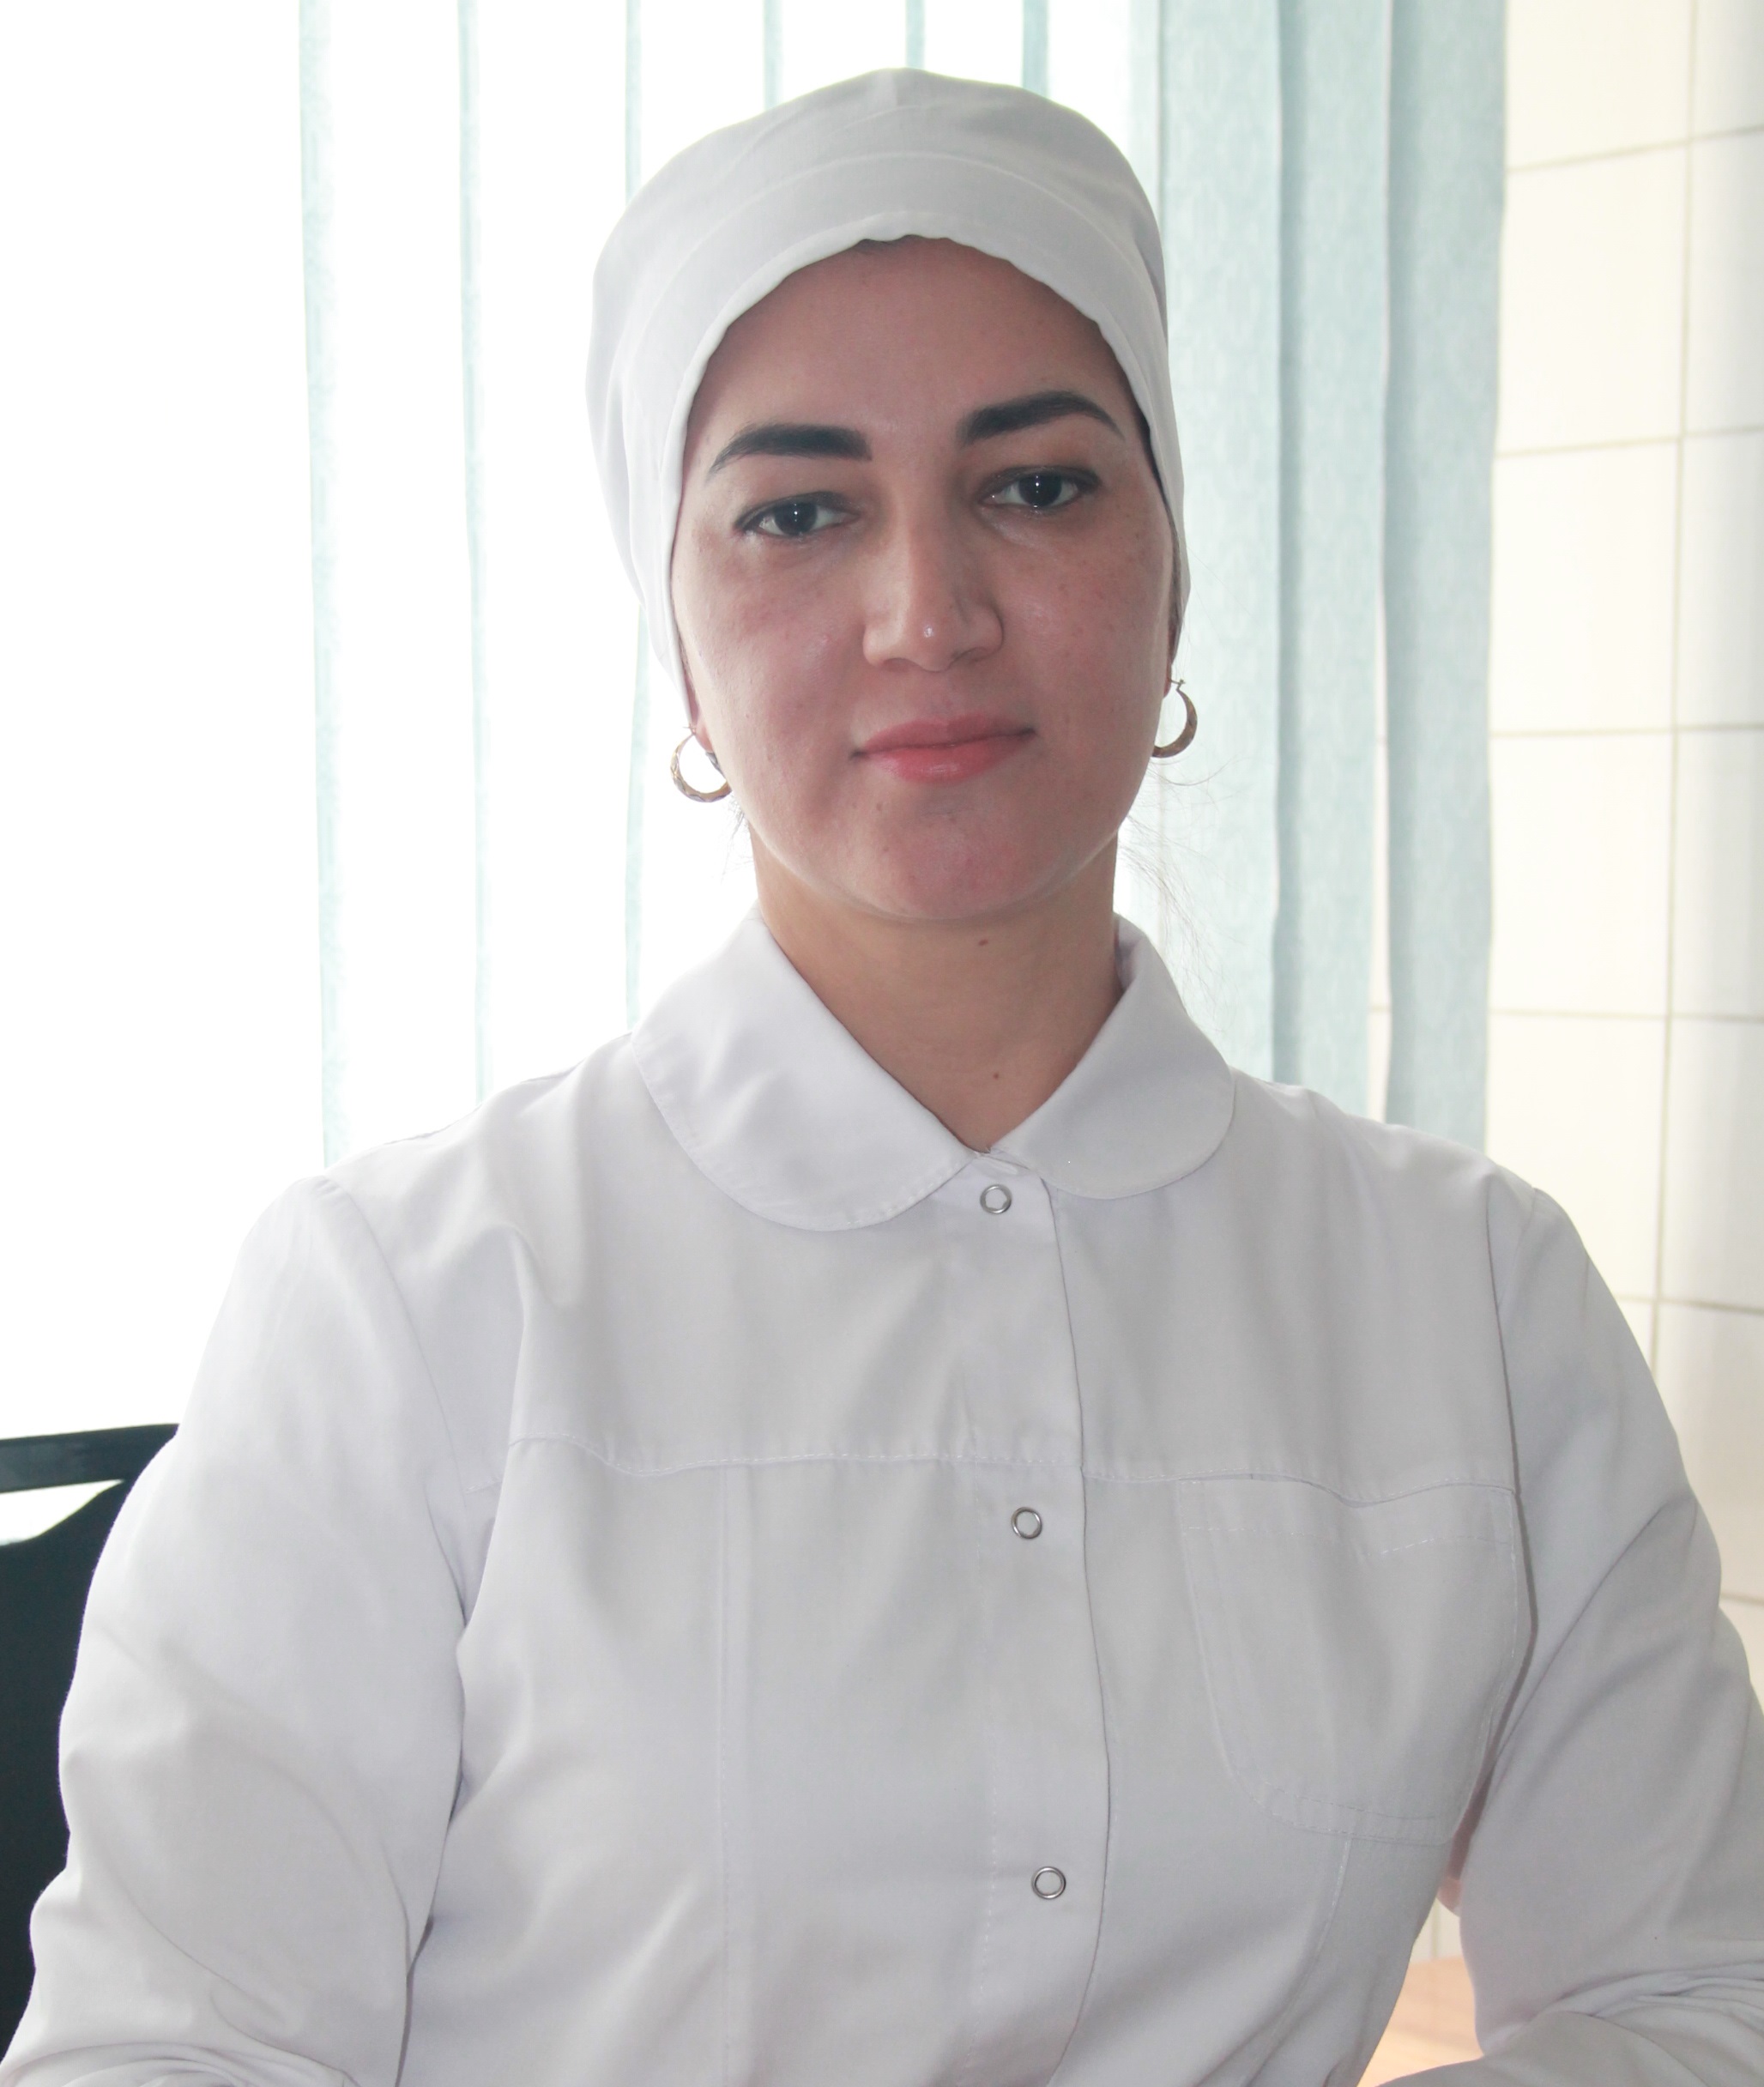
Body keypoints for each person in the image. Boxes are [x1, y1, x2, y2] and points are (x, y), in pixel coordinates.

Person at [5, 69, 1761, 2087]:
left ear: (1171, 575)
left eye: (1038, 485)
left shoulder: (1470, 1302)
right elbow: (165, 2051)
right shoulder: (406, 1303)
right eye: (797, 511)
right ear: (679, 646)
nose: (928, 611)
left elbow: (1690, 1992)